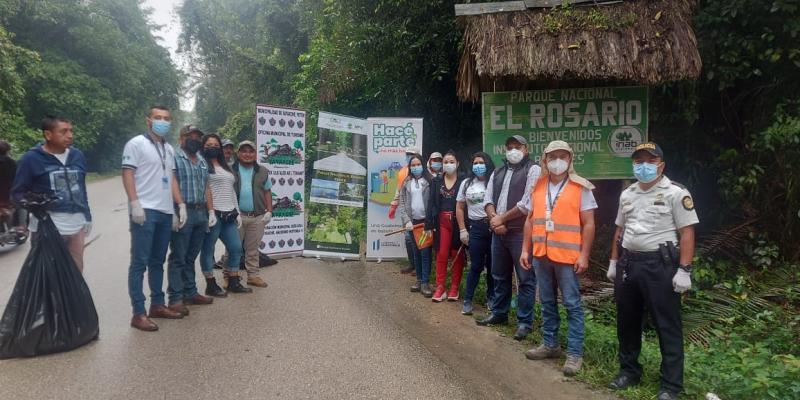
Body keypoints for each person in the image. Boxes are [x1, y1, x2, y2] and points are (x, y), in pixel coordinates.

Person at [606, 142, 698, 400]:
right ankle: (629, 372)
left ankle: (670, 386)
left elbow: (687, 232)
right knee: (627, 321)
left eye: (649, 160)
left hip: (660, 266)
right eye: (638, 161)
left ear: (661, 165)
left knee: (666, 325)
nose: (643, 166)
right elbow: (619, 229)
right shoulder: (628, 193)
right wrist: (614, 261)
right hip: (628, 264)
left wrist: (685, 270)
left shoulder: (676, 193)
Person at [521, 140, 597, 377]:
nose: (557, 161)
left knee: (572, 304)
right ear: (545, 160)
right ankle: (550, 344)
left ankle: (574, 354)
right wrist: (525, 250)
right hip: (541, 254)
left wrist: (584, 255)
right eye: (552, 156)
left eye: (562, 156)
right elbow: (530, 220)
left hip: (567, 256)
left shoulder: (580, 186)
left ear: (570, 159)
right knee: (546, 301)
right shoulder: (538, 184)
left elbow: (589, 223)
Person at [122, 106, 188, 331]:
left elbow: (171, 180)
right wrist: (134, 203)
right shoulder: (136, 144)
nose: (163, 122)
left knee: (157, 261)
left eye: (167, 119)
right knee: (139, 262)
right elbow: (128, 173)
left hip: (165, 211)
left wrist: (179, 205)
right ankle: (138, 312)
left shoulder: (169, 148)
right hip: (145, 210)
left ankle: (157, 304)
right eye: (158, 118)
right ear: (148, 120)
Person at [478, 135, 541, 341]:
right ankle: (499, 313)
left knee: (525, 279)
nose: (513, 150)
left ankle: (524, 322)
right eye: (509, 147)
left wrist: (501, 219)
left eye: (517, 146)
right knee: (499, 275)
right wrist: (495, 221)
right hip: (499, 232)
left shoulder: (533, 170)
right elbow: (487, 199)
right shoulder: (498, 171)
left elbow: (527, 203)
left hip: (521, 232)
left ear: (526, 149)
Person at [11, 116, 92, 271]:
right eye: (63, 131)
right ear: (48, 135)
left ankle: (73, 297)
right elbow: (17, 193)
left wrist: (87, 216)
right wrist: (34, 205)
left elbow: (81, 188)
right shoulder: (31, 159)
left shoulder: (77, 156)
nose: (70, 135)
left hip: (76, 225)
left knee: (75, 273)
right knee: (49, 277)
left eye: (71, 130)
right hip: (47, 227)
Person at [165, 125, 216, 317]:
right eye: (191, 136)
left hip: (200, 213)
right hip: (183, 211)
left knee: (191, 255)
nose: (195, 139)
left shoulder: (202, 160)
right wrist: (180, 206)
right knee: (178, 256)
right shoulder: (175, 158)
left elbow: (207, 187)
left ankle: (191, 292)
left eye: (197, 137)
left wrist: (210, 210)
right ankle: (175, 298)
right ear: (181, 139)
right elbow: (172, 182)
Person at [199, 133, 250, 295]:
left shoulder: (226, 166)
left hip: (229, 214)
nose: (212, 147)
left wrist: (238, 212)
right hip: (213, 214)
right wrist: (210, 211)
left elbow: (231, 191)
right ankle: (211, 284)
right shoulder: (202, 165)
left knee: (235, 248)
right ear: (203, 147)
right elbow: (204, 189)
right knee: (208, 250)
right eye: (208, 145)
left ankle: (233, 280)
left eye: (215, 145)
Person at [456, 151, 496, 315]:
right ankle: (468, 300)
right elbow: (459, 207)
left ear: (487, 164)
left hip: (494, 227)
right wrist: (462, 229)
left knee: (493, 266)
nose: (478, 166)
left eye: (481, 162)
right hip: (476, 228)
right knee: (476, 266)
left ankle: (492, 298)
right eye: (475, 163)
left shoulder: (495, 180)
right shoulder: (466, 183)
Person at [232, 140, 273, 288]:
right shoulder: (231, 170)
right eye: (244, 151)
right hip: (237, 216)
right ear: (238, 153)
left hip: (257, 216)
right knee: (233, 248)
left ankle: (253, 276)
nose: (247, 154)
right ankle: (230, 276)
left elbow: (267, 191)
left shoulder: (262, 171)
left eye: (251, 151)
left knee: (253, 249)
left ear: (255, 154)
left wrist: (269, 211)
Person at [426, 150, 466, 302]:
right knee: (441, 254)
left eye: (451, 162)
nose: (448, 165)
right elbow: (431, 203)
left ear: (457, 164)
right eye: (446, 162)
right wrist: (429, 225)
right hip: (441, 222)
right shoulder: (436, 181)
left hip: (458, 222)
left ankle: (454, 287)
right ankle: (440, 287)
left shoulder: (464, 180)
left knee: (457, 254)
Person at [398, 153, 433, 297]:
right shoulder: (406, 183)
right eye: (413, 165)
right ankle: (418, 280)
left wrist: (430, 222)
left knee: (425, 253)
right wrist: (406, 220)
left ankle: (425, 282)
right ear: (410, 167)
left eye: (418, 164)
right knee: (416, 252)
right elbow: (402, 203)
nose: (416, 167)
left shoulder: (430, 181)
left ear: (423, 165)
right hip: (412, 224)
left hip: (425, 224)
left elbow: (433, 203)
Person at [389, 147, 420, 275]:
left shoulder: (421, 170)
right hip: (406, 210)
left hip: (419, 211)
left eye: (412, 154)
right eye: (407, 154)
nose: (409, 156)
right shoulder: (402, 171)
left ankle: (419, 268)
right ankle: (412, 265)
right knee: (408, 237)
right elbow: (399, 191)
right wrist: (393, 205)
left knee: (418, 240)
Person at [0, 140, 26, 232]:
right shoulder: (11, 163)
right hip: (8, 196)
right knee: (23, 205)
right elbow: (18, 179)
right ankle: (22, 226)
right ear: (7, 151)